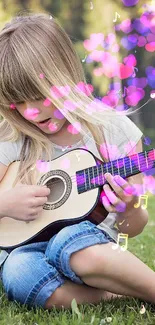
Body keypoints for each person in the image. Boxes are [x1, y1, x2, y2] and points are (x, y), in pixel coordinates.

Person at [0, 12, 154, 310]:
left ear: (66, 73)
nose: (30, 112)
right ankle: (119, 295)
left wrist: (131, 207)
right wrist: (5, 204)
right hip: (25, 247)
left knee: (69, 242)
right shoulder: (10, 137)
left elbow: (132, 227)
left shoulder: (113, 131)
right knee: (17, 272)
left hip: (90, 246)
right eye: (17, 101)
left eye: (37, 95)